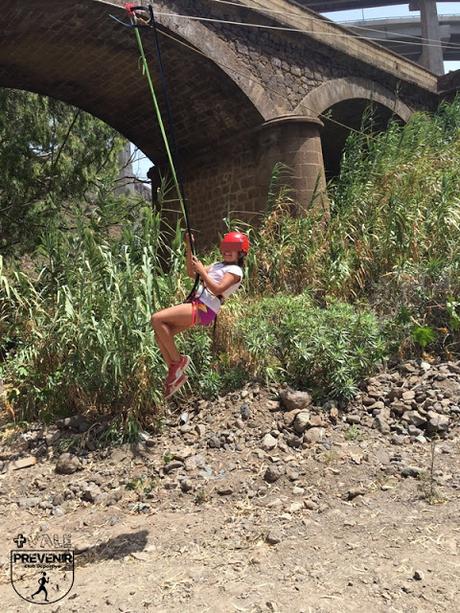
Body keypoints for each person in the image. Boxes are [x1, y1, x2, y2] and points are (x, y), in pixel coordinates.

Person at [151, 231, 249, 398]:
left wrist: (203, 273)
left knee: (156, 318)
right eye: (225, 247)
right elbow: (191, 273)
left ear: (241, 252)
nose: (226, 251)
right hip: (196, 305)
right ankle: (175, 374)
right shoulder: (219, 265)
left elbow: (218, 289)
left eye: (231, 249)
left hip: (204, 307)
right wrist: (189, 246)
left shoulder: (235, 271)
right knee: (160, 335)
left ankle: (178, 361)